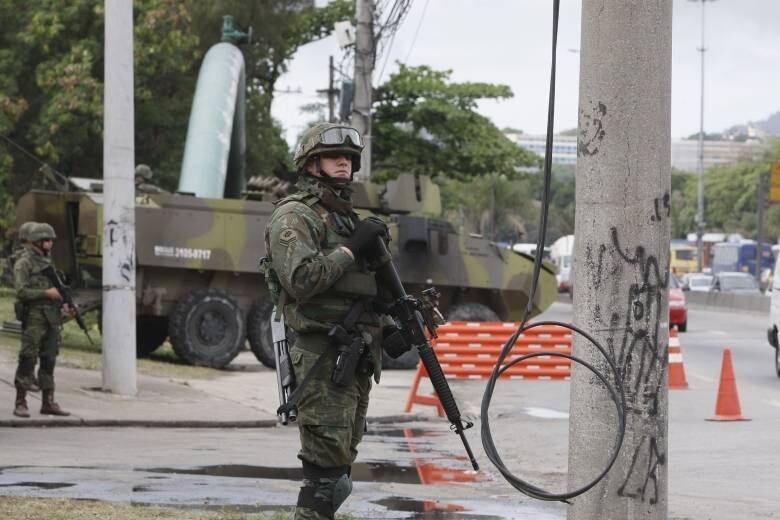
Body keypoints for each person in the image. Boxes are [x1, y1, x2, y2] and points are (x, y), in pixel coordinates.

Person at [263, 123, 390, 519]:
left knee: (339, 475)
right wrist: (353, 249)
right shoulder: (294, 217)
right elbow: (301, 280)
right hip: (321, 357)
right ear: (311, 163)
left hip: (354, 357)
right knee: (324, 477)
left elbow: (363, 289)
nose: (344, 163)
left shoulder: (345, 219)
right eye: (334, 156)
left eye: (350, 158)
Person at [13, 222, 71, 417]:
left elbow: (58, 292)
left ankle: (48, 401)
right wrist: (47, 293)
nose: (50, 243)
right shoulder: (24, 262)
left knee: (49, 358)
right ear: (37, 241)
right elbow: (21, 292)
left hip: (52, 317)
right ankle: (21, 402)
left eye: (51, 240)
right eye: (46, 240)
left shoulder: (48, 262)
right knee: (28, 357)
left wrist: (65, 304)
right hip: (34, 317)